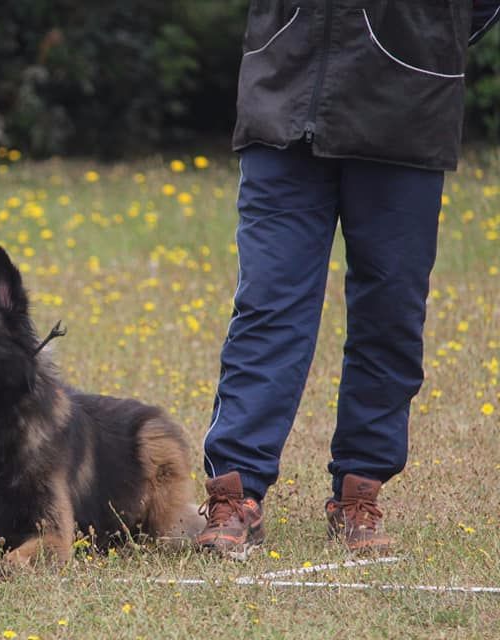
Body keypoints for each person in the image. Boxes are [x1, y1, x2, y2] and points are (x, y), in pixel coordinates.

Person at [196, 1, 500, 559]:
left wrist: (428, 31)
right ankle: (235, 494)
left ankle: (359, 495)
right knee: (267, 306)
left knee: (391, 316)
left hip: (408, 106)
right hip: (282, 95)